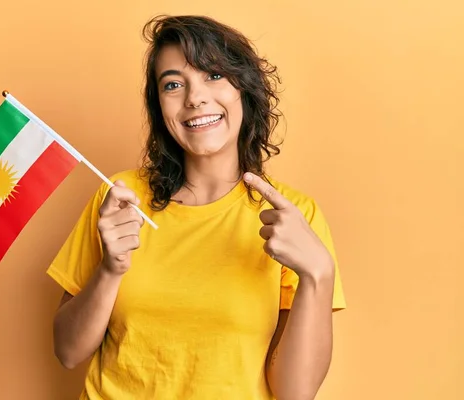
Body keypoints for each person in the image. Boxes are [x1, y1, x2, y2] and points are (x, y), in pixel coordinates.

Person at [47, 14, 346, 400]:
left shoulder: (293, 216)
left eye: (214, 75)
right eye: (173, 84)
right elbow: (68, 352)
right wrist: (110, 268)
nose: (195, 97)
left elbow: (295, 392)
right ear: (159, 106)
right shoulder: (122, 199)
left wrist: (318, 274)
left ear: (245, 88)